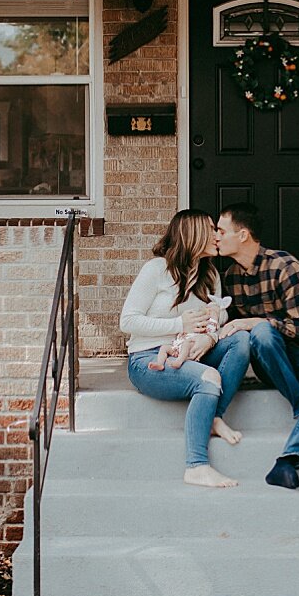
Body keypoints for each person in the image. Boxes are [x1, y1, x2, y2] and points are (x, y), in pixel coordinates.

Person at [215, 202, 299, 490]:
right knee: (261, 334)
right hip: (271, 359)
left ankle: (289, 458)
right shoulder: (230, 278)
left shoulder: (285, 267)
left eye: (221, 230)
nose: (216, 236)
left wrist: (258, 322)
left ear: (243, 235)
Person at [120, 209, 253, 488]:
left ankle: (215, 416)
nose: (218, 236)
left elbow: (220, 315)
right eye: (211, 230)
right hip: (148, 359)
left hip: (194, 351)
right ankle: (196, 466)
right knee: (209, 378)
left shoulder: (209, 274)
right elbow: (128, 320)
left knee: (240, 340)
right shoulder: (157, 269)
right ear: (192, 235)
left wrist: (211, 336)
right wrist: (179, 323)